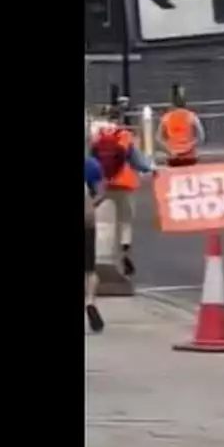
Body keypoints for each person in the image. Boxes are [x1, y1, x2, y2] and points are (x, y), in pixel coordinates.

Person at [89, 106, 155, 276]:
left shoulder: (97, 137)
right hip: (125, 184)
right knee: (125, 221)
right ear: (119, 119)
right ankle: (124, 251)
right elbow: (137, 162)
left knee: (105, 223)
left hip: (104, 184)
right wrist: (150, 169)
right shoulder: (125, 136)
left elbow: (90, 160)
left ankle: (102, 258)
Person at [156, 87, 205, 167]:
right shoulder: (191, 116)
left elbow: (158, 138)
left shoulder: (166, 117)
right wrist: (191, 146)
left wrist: (168, 150)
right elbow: (201, 136)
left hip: (173, 157)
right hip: (189, 156)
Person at [84, 157, 106, 333]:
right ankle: (90, 301)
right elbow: (101, 192)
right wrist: (91, 205)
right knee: (90, 269)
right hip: (87, 222)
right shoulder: (91, 165)